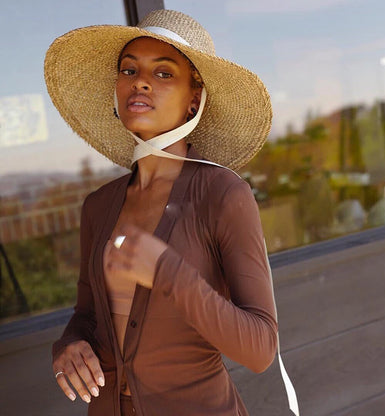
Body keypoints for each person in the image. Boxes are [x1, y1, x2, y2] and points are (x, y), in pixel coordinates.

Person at [45, 9, 293, 416]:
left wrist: (168, 273)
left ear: (194, 98)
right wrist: (69, 346)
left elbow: (261, 349)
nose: (139, 81)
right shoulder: (99, 207)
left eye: (163, 73)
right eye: (129, 70)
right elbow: (87, 315)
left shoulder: (224, 195)